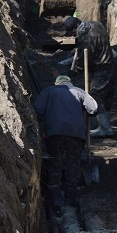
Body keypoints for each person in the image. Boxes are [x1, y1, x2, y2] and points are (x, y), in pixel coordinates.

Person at [34, 75, 98, 207]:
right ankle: (70, 198)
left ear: (56, 83)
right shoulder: (80, 92)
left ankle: (55, 199)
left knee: (55, 164)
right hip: (76, 134)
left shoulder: (48, 91)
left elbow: (38, 109)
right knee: (73, 164)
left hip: (54, 133)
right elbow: (93, 109)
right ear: (70, 83)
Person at [64, 16, 116, 137]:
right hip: (111, 65)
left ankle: (105, 129)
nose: (73, 35)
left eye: (73, 32)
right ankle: (105, 127)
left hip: (101, 69)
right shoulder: (96, 24)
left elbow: (82, 62)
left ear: (77, 26)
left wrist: (71, 73)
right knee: (106, 97)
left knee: (95, 96)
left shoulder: (85, 39)